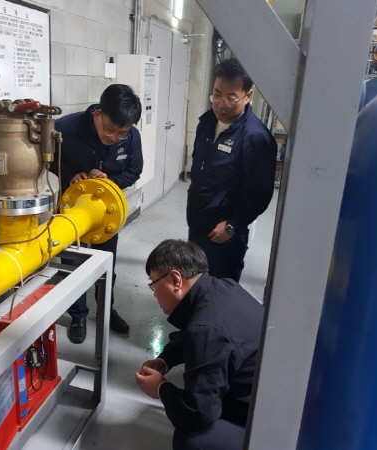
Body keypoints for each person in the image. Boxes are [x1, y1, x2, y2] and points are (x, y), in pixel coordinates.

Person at [136, 239, 263, 450]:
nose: (154, 293)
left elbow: (197, 413)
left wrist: (160, 388)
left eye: (153, 283)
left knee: (192, 440)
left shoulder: (206, 331)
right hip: (267, 396)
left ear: (175, 279)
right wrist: (165, 360)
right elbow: (189, 331)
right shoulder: (223, 287)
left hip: (263, 421)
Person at [52, 84, 143, 344]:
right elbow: (48, 160)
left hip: (106, 216)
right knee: (73, 265)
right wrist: (71, 175)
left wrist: (109, 181)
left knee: (106, 265)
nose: (114, 137)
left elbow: (134, 171)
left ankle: (106, 310)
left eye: (121, 133)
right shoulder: (66, 128)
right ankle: (78, 315)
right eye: (109, 129)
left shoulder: (131, 137)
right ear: (98, 114)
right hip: (72, 211)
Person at [187, 58, 277, 282]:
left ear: (248, 95)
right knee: (195, 282)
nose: (221, 103)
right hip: (197, 223)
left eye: (230, 97)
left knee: (220, 287)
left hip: (224, 234)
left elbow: (260, 194)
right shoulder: (207, 123)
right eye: (217, 94)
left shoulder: (256, 138)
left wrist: (231, 226)